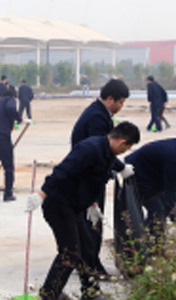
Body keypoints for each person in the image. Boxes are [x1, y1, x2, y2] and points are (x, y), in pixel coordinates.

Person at [25, 122, 140, 300]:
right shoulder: (89, 148)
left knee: (88, 248)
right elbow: (63, 170)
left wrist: (94, 203)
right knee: (70, 252)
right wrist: (42, 194)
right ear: (122, 142)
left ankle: (91, 292)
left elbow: (94, 177)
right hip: (59, 204)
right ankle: (49, 295)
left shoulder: (107, 151)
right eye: (127, 148)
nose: (125, 152)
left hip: (75, 206)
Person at [71, 78, 132, 279]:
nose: (121, 106)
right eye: (120, 102)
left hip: (90, 175)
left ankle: (85, 263)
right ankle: (91, 267)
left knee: (90, 225)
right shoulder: (97, 117)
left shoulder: (100, 113)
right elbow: (101, 151)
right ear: (110, 99)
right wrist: (120, 167)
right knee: (92, 225)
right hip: (88, 178)